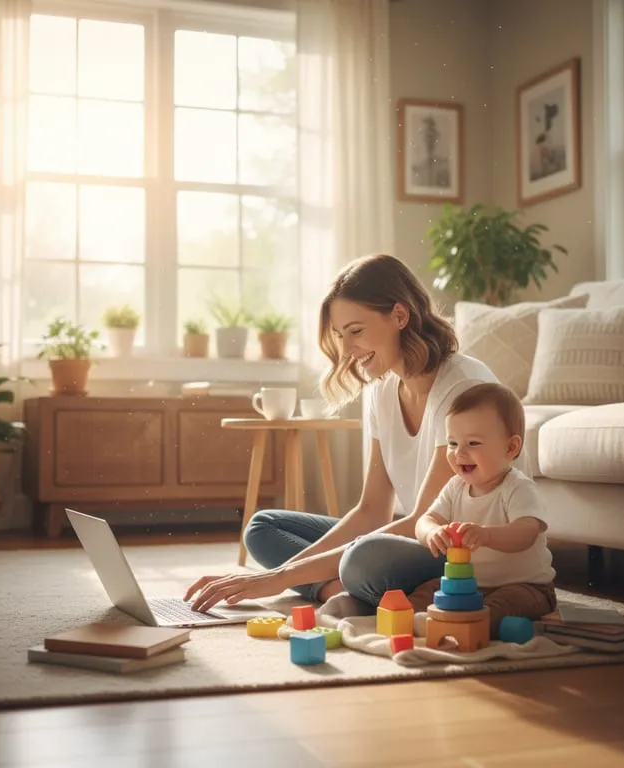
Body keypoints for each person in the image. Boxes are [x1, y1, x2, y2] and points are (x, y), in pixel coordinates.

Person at [183, 253, 501, 613]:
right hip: (414, 542)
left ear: (399, 315)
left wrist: (278, 579)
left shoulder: (461, 386)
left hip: (460, 551)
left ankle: (352, 586)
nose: (347, 351)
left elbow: (423, 520)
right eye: (340, 336)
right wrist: (285, 572)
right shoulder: (382, 389)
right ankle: (336, 589)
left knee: (364, 556)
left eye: (356, 332)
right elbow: (371, 511)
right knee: (263, 527)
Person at [414, 382, 557, 636]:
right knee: (426, 591)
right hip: (469, 585)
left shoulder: (517, 487)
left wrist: (487, 535)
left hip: (527, 586)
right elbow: (426, 519)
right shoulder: (455, 486)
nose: (460, 453)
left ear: (511, 448)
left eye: (473, 443)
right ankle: (418, 618)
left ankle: (465, 627)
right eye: (452, 443)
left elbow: (526, 531)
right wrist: (432, 532)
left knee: (500, 608)